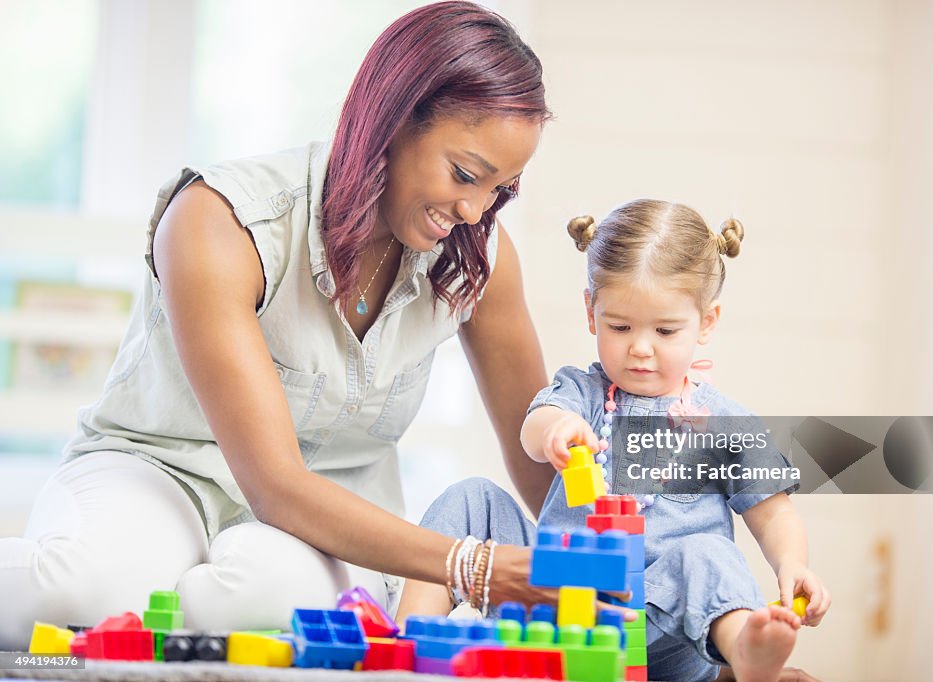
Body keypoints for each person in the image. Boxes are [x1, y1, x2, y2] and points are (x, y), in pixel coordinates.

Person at [0, 1, 561, 650]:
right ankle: (129, 584)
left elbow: (541, 461)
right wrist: (469, 563)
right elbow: (274, 485)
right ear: (391, 119)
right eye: (465, 174)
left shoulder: (476, 257)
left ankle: (156, 612)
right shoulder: (222, 219)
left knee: (270, 603)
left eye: (501, 190)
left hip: (336, 511)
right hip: (162, 472)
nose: (474, 208)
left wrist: (654, 545)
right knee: (82, 594)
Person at [398, 201, 831, 682]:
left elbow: (773, 512)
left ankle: (744, 651)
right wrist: (556, 430)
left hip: (660, 627)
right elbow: (534, 426)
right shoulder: (581, 392)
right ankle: (410, 639)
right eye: (619, 326)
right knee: (471, 498)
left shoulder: (724, 423)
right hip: (558, 602)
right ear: (591, 312)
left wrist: (793, 563)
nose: (640, 348)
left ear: (706, 322)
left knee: (709, 554)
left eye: (666, 331)